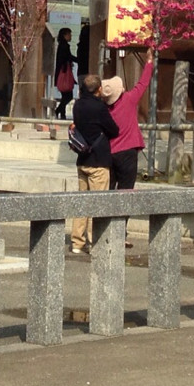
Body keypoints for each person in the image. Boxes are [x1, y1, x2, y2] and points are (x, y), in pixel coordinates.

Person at [68, 73, 114, 252]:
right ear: (99, 89)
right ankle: (95, 241)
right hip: (99, 160)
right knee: (97, 203)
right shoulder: (100, 108)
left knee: (82, 202)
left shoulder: (77, 105)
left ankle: (77, 242)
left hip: (82, 158)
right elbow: (113, 129)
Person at [102, 48, 155, 191]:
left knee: (110, 188)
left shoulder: (103, 108)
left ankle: (109, 213)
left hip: (110, 152)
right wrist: (149, 62)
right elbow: (143, 83)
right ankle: (122, 214)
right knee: (126, 189)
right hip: (128, 151)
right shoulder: (129, 99)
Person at [52, 28, 76, 120]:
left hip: (61, 73)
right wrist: (78, 60)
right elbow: (68, 57)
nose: (70, 36)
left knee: (65, 96)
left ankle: (62, 113)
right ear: (65, 35)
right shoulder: (64, 46)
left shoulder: (61, 45)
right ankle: (59, 110)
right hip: (64, 73)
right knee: (68, 96)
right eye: (69, 34)